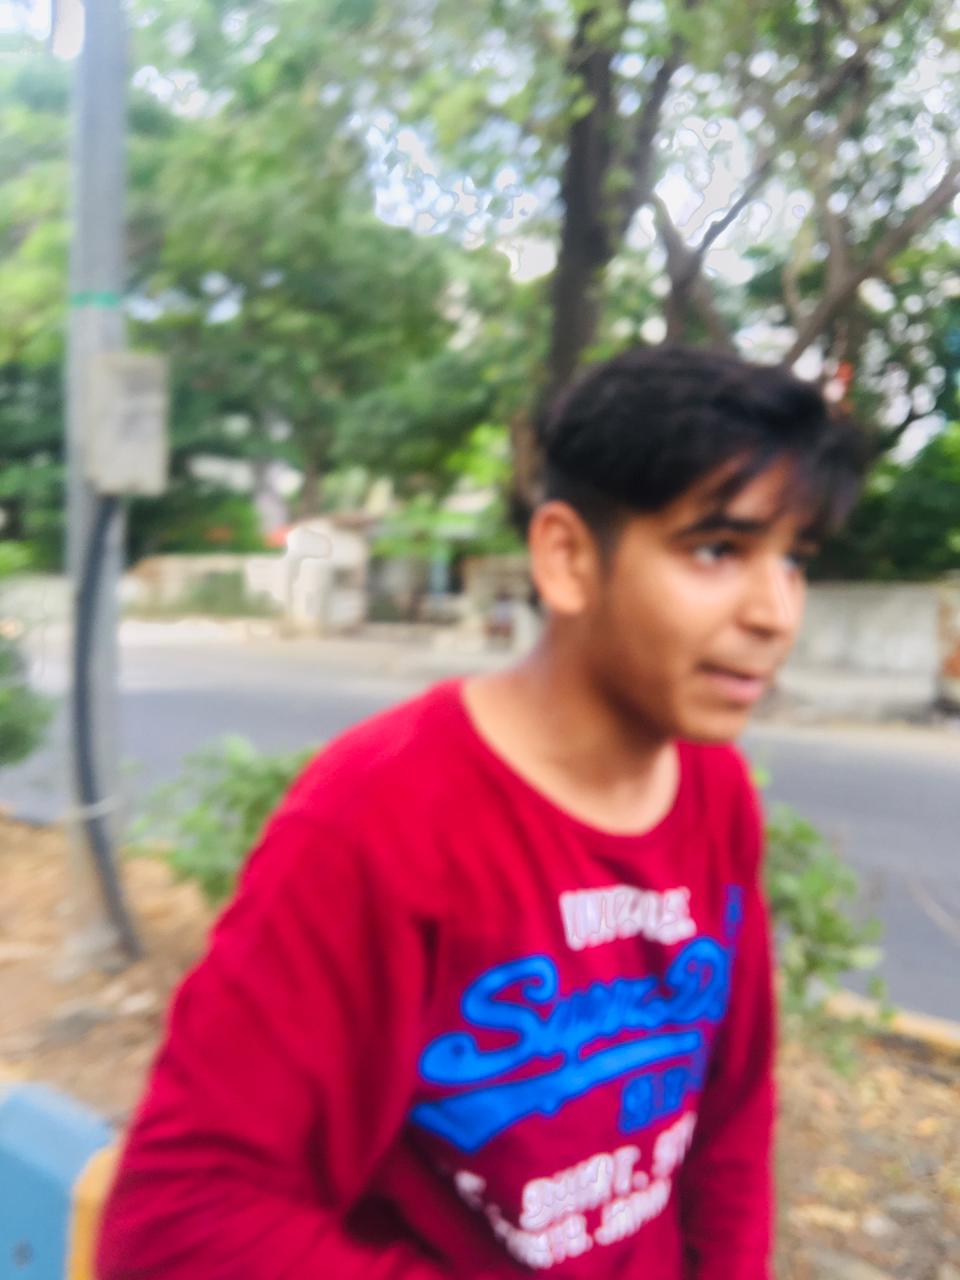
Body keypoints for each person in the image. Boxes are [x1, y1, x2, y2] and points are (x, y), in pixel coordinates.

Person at [96, 345, 867, 1278]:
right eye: (718, 550)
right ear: (567, 558)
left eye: (795, 561)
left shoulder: (716, 791)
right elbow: (178, 1219)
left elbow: (730, 1115)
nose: (776, 613)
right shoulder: (377, 818)